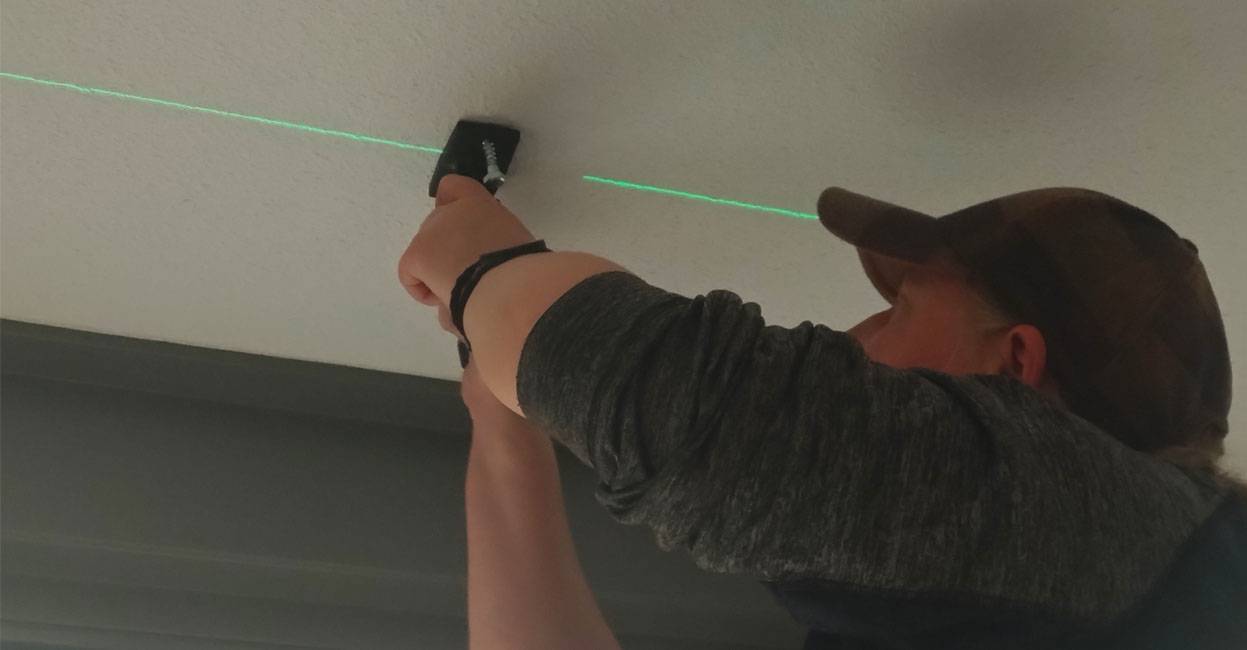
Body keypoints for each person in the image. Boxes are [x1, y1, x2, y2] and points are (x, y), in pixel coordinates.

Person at [399, 175, 1247, 649]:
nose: (852, 338)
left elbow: (702, 413)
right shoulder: (1095, 581)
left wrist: (483, 266)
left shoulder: (1081, 522)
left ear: (1015, 365)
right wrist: (502, 423)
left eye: (899, 309)